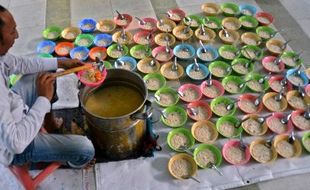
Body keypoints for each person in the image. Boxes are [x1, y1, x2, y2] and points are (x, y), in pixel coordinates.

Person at [0, 5, 95, 169]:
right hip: (13, 147)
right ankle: (69, 160)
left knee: (43, 73)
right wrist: (44, 99)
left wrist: (61, 62)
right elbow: (16, 144)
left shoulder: (1, 57)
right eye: (12, 32)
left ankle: (48, 124)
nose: (17, 35)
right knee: (86, 149)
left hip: (13, 108)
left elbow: (20, 64)